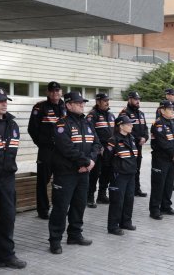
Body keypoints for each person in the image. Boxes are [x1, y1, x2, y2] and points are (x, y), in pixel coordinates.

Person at [49, 92, 101, 254]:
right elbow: (66, 148)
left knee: (79, 205)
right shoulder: (61, 124)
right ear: (69, 105)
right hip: (66, 173)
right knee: (61, 207)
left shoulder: (87, 122)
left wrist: (90, 162)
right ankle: (55, 241)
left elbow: (97, 144)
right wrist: (85, 162)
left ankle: (74, 234)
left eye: (83, 103)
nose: (81, 105)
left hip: (83, 173)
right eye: (78, 103)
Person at [0, 87, 27, 269]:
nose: (4, 103)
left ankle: (6, 257)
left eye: (5, 100)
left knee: (8, 217)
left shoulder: (12, 124)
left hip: (7, 179)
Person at [28, 81, 66, 219]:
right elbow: (32, 129)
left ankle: (59, 207)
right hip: (46, 151)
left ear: (61, 92)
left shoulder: (65, 106)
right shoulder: (40, 107)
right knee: (43, 181)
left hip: (62, 151)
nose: (55, 93)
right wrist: (43, 145)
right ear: (48, 93)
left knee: (61, 180)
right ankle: (43, 210)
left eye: (57, 91)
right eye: (52, 91)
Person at [149, 100, 174, 219]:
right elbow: (162, 143)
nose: (172, 111)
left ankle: (166, 206)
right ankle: (154, 209)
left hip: (171, 159)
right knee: (158, 185)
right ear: (162, 110)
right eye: (169, 109)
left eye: (173, 109)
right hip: (161, 159)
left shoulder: (172, 123)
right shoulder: (158, 125)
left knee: (168, 184)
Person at [105, 116, 138, 236]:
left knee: (129, 199)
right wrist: (114, 171)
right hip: (119, 175)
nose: (132, 126)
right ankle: (113, 226)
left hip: (130, 174)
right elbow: (107, 160)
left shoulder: (131, 138)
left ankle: (126, 222)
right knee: (117, 201)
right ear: (121, 126)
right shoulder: (113, 140)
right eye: (129, 124)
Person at [86, 93, 115, 208]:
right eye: (104, 100)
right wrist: (99, 147)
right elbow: (91, 133)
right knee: (95, 174)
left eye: (108, 100)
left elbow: (115, 132)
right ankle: (90, 197)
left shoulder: (111, 115)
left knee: (106, 173)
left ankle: (102, 195)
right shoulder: (92, 115)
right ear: (98, 102)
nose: (107, 102)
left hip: (109, 150)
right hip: (98, 150)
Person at [119, 91, 148, 197]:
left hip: (139, 146)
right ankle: (128, 189)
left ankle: (136, 188)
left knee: (137, 168)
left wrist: (145, 137)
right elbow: (123, 130)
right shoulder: (124, 113)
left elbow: (145, 128)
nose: (138, 101)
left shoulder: (141, 113)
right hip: (129, 146)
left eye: (138, 99)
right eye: (135, 99)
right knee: (128, 168)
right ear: (129, 99)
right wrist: (138, 138)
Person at [156, 88, 174, 191]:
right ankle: (168, 184)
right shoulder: (162, 108)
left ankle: (171, 183)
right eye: (172, 95)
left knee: (173, 165)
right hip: (167, 138)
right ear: (167, 95)